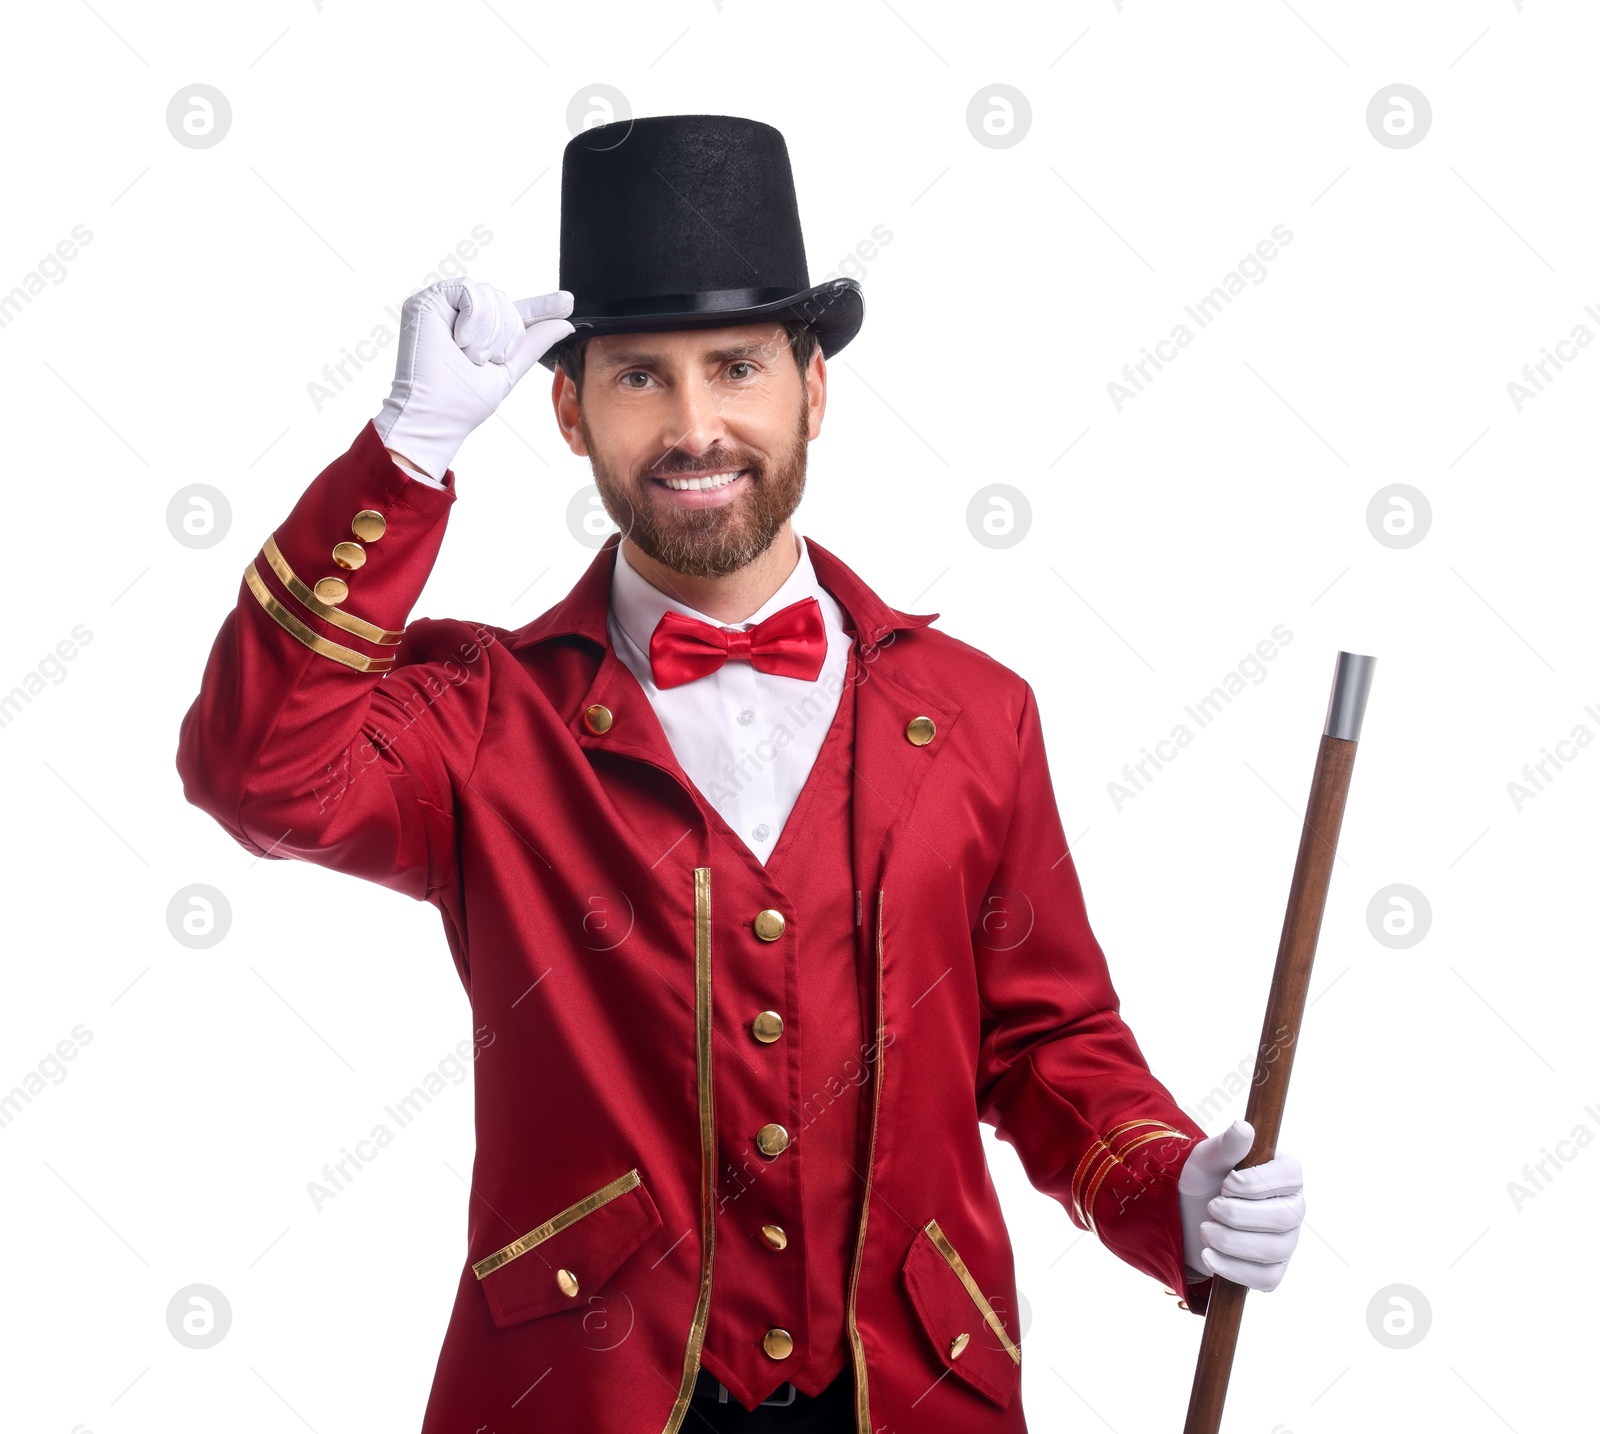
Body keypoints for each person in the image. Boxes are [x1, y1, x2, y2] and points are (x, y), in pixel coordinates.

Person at [177, 114, 1304, 1434]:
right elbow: (258, 771)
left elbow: (1042, 1039)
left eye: (737, 366)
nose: (696, 424)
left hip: (913, 1391)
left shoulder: (978, 714)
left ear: (813, 388)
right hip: (583, 1391)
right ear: (567, 408)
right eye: (640, 377)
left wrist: (1161, 1184)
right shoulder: (486, 718)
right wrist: (407, 452)